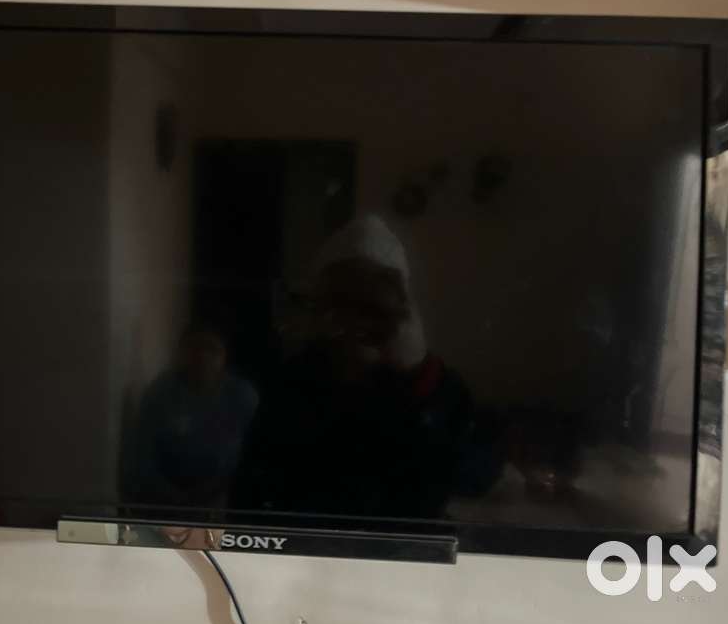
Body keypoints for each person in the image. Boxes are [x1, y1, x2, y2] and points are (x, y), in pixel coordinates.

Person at [232, 215, 503, 518]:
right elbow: (248, 496)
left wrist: (420, 374)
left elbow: (475, 477)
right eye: (341, 304)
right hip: (309, 545)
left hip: (405, 546)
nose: (356, 323)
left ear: (401, 315)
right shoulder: (290, 385)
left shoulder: (434, 386)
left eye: (372, 309)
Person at [130, 324, 259, 508]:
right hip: (166, 500)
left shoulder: (242, 396)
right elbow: (143, 456)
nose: (203, 356)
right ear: (182, 352)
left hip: (228, 497)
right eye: (195, 347)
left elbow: (253, 455)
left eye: (212, 349)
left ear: (224, 356)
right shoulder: (161, 392)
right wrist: (172, 497)